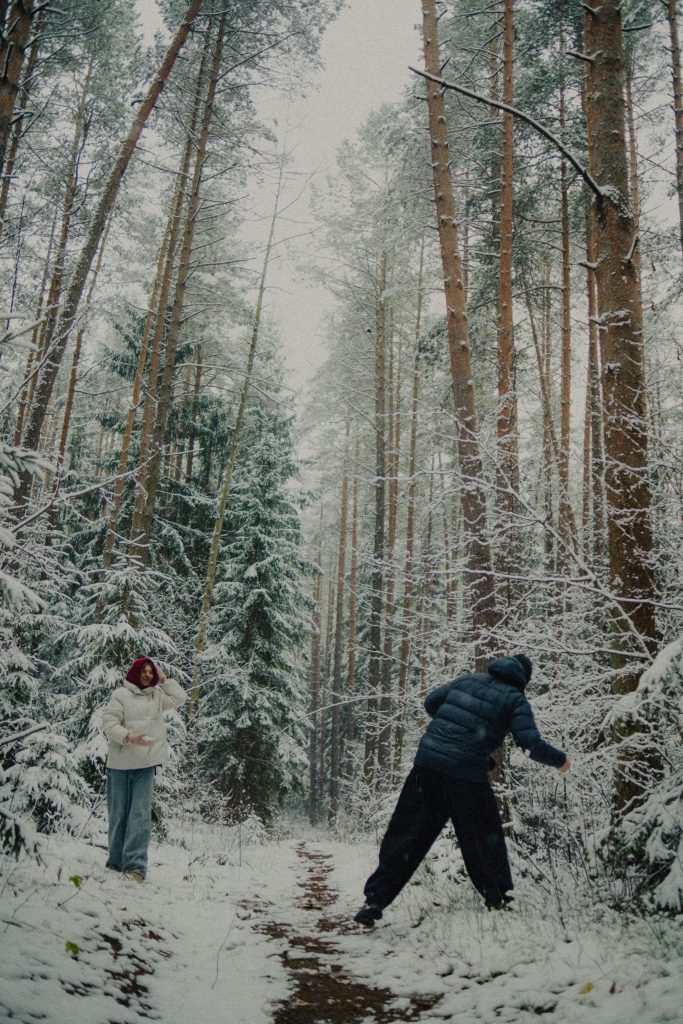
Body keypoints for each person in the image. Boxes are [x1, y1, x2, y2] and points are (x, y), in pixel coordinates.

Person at [354, 654, 571, 926]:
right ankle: (500, 900)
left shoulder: (468, 680)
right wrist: (561, 761)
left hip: (427, 767)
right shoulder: (515, 699)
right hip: (466, 777)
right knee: (484, 840)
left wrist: (452, 728)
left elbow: (431, 702)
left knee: (406, 836)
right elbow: (530, 744)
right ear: (523, 680)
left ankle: (374, 901)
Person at [102, 656, 186, 882]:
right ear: (135, 672)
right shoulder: (120, 695)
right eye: (144, 671)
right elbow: (109, 724)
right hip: (120, 765)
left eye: (151, 672)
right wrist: (128, 737)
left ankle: (135, 867)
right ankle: (115, 862)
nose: (148, 675)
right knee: (118, 814)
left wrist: (165, 680)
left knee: (139, 815)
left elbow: (180, 697)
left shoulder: (157, 696)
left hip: (145, 766)